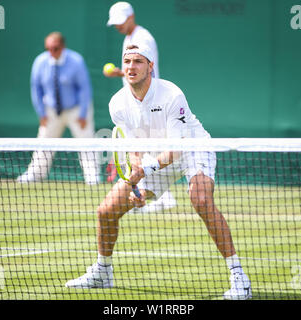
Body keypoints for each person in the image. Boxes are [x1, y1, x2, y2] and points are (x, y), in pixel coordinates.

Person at [65, 44, 252, 300]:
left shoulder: (171, 95)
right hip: (154, 156)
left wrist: (145, 169)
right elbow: (132, 148)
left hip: (191, 147)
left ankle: (239, 277)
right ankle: (102, 272)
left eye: (138, 62)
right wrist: (136, 185)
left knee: (200, 199)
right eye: (127, 61)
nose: (131, 67)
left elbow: (175, 151)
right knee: (106, 211)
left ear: (150, 66)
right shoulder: (118, 104)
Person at [104, 1, 176, 212]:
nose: (117, 26)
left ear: (131, 17)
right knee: (144, 151)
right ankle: (159, 196)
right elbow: (135, 71)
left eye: (120, 21)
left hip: (148, 102)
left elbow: (148, 72)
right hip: (137, 100)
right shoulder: (129, 38)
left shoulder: (143, 38)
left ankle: (162, 196)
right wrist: (121, 73)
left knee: (150, 151)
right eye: (115, 23)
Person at [17, 32, 100, 184]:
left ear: (62, 47)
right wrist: (41, 113)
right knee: (44, 142)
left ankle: (92, 177)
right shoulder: (40, 62)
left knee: (86, 142)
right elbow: (36, 89)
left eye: (55, 48)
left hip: (76, 109)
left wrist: (82, 114)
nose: (51, 52)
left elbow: (84, 89)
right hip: (51, 110)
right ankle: (35, 174)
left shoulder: (76, 61)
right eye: (48, 48)